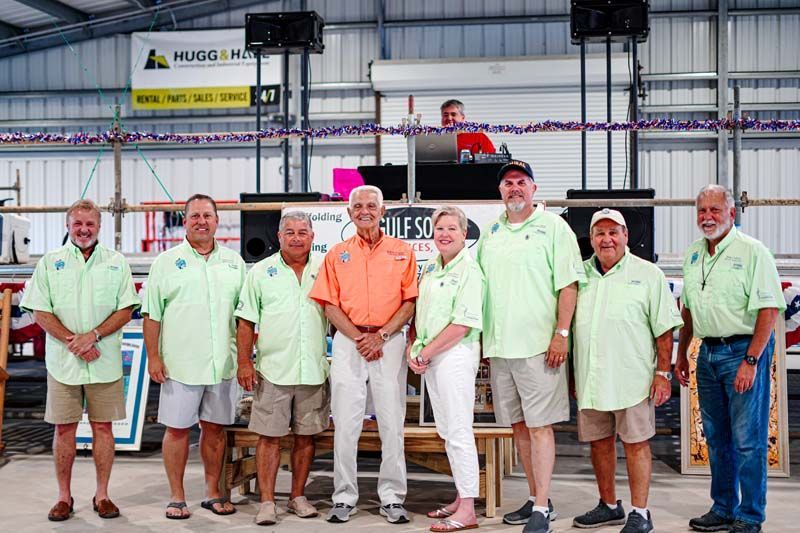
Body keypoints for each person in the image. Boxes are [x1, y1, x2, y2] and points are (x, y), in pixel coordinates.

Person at [476, 160, 584, 533]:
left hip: (540, 347)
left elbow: (569, 284)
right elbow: (477, 286)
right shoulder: (490, 232)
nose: (515, 189)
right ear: (500, 191)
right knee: (519, 427)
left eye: (522, 182)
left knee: (540, 427)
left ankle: (540, 508)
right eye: (508, 183)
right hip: (500, 348)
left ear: (534, 189)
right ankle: (539, 496)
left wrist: (562, 333)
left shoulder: (554, 228)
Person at [21, 199, 139, 522]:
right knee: (64, 428)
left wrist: (95, 335)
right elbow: (40, 310)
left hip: (104, 360)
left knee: (103, 427)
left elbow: (126, 308)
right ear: (68, 226)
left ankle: (102, 495)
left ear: (99, 227)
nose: (84, 229)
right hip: (64, 362)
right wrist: (76, 342)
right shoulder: (50, 262)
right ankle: (63, 497)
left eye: (90, 224)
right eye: (78, 224)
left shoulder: (116, 262)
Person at [676, 185, 784, 533]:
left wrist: (751, 361)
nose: (707, 217)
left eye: (715, 210)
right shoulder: (693, 254)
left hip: (743, 350)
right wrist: (682, 352)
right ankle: (723, 507)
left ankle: (750, 515)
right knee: (716, 438)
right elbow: (689, 308)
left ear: (732, 214)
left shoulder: (753, 252)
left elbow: (769, 308)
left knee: (748, 440)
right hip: (706, 353)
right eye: (702, 211)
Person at [309, 185, 418, 524]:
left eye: (371, 205)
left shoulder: (402, 251)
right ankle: (343, 496)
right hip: (349, 341)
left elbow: (410, 301)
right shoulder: (337, 254)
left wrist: (382, 335)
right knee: (345, 421)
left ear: (383, 211)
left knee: (391, 421)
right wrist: (359, 337)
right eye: (358, 206)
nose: (365, 210)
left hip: (390, 341)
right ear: (349, 213)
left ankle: (392, 497)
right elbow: (329, 304)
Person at [571, 209, 683, 533]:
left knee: (636, 444)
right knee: (599, 443)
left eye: (613, 232)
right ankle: (608, 506)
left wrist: (662, 374)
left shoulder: (648, 274)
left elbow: (664, 330)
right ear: (591, 239)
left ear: (626, 236)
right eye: (600, 233)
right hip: (591, 379)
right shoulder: (580, 277)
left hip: (632, 380)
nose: (607, 239)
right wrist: (573, 377)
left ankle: (641, 512)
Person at [142, 194, 246, 520]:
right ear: (184, 221)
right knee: (177, 430)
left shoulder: (234, 262)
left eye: (208, 215)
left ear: (217, 221)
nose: (202, 221)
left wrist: (244, 359)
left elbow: (245, 317)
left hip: (222, 363)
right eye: (195, 216)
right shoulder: (165, 262)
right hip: (180, 364)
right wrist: (153, 358)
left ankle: (213, 492)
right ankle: (177, 496)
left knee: (214, 430)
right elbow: (152, 315)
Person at [236, 211, 330, 526]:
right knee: (269, 437)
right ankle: (266, 502)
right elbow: (246, 320)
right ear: (279, 237)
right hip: (273, 369)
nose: (296, 237)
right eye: (289, 232)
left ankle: (297, 497)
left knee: (306, 437)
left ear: (312, 237)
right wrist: (244, 361)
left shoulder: (326, 270)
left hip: (313, 370)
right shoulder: (261, 272)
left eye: (303, 232)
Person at [407, 206, 485, 532]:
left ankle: (468, 509)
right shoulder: (430, 269)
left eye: (452, 228)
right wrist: (416, 350)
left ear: (464, 234)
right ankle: (460, 495)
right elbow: (421, 318)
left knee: (459, 431)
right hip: (433, 356)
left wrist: (424, 352)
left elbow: (463, 325)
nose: (445, 234)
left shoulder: (470, 270)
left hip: (455, 355)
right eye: (439, 229)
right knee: (446, 432)